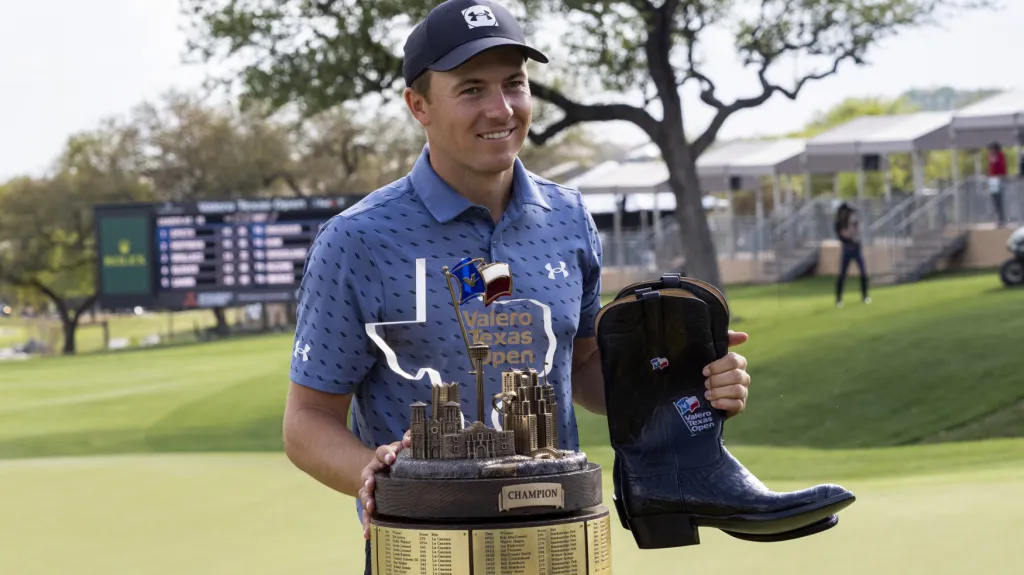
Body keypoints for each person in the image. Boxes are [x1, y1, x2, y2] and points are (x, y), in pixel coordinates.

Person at [281, 1, 755, 571]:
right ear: (418, 105)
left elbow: (580, 368)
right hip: (426, 555)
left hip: (560, 546)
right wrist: (372, 473)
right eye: (471, 89)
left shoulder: (568, 217)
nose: (501, 108)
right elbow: (307, 421)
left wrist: (687, 385)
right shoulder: (357, 240)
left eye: (515, 83)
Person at [834, 202, 870, 307]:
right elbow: (843, 236)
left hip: (856, 249)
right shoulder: (838, 223)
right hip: (847, 249)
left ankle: (865, 296)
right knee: (842, 275)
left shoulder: (853, 221)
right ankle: (839, 299)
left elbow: (857, 233)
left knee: (863, 273)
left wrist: (854, 228)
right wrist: (849, 232)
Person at [987, 142, 1007, 227]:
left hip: (999, 179)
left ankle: (1001, 219)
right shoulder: (990, 155)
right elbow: (990, 167)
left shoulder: (1000, 155)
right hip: (992, 180)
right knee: (994, 200)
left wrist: (1003, 175)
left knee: (999, 200)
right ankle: (996, 219)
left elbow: (1003, 166)